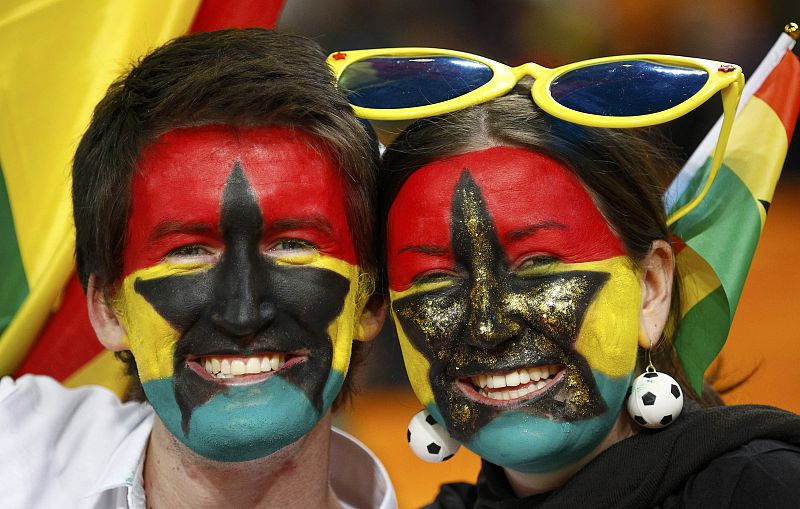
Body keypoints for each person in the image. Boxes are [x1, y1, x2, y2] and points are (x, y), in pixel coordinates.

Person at [0, 29, 396, 509]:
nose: (244, 313)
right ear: (108, 309)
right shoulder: (17, 455)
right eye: (188, 252)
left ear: (371, 298)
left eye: (292, 245)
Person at [371, 69, 800, 506]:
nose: (487, 326)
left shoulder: (765, 489)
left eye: (537, 265)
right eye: (436, 278)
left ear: (650, 288)